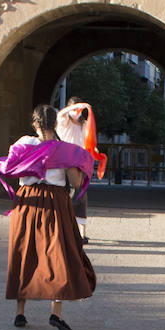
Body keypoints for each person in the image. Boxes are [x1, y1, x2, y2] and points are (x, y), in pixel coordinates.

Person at [0, 104, 97, 330]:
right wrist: (70, 162)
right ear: (55, 124)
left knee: (24, 252)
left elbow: (8, 167)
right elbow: (76, 183)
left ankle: (20, 312)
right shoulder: (63, 150)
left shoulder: (22, 144)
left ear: (35, 124)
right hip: (55, 202)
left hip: (28, 201)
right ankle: (56, 313)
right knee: (58, 255)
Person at [56, 97, 106, 244]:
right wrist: (75, 107)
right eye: (74, 109)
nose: (77, 112)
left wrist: (94, 150)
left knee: (81, 196)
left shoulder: (84, 124)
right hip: (65, 161)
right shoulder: (64, 122)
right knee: (64, 195)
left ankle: (82, 233)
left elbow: (88, 140)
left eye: (79, 110)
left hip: (80, 161)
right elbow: (60, 114)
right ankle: (63, 230)